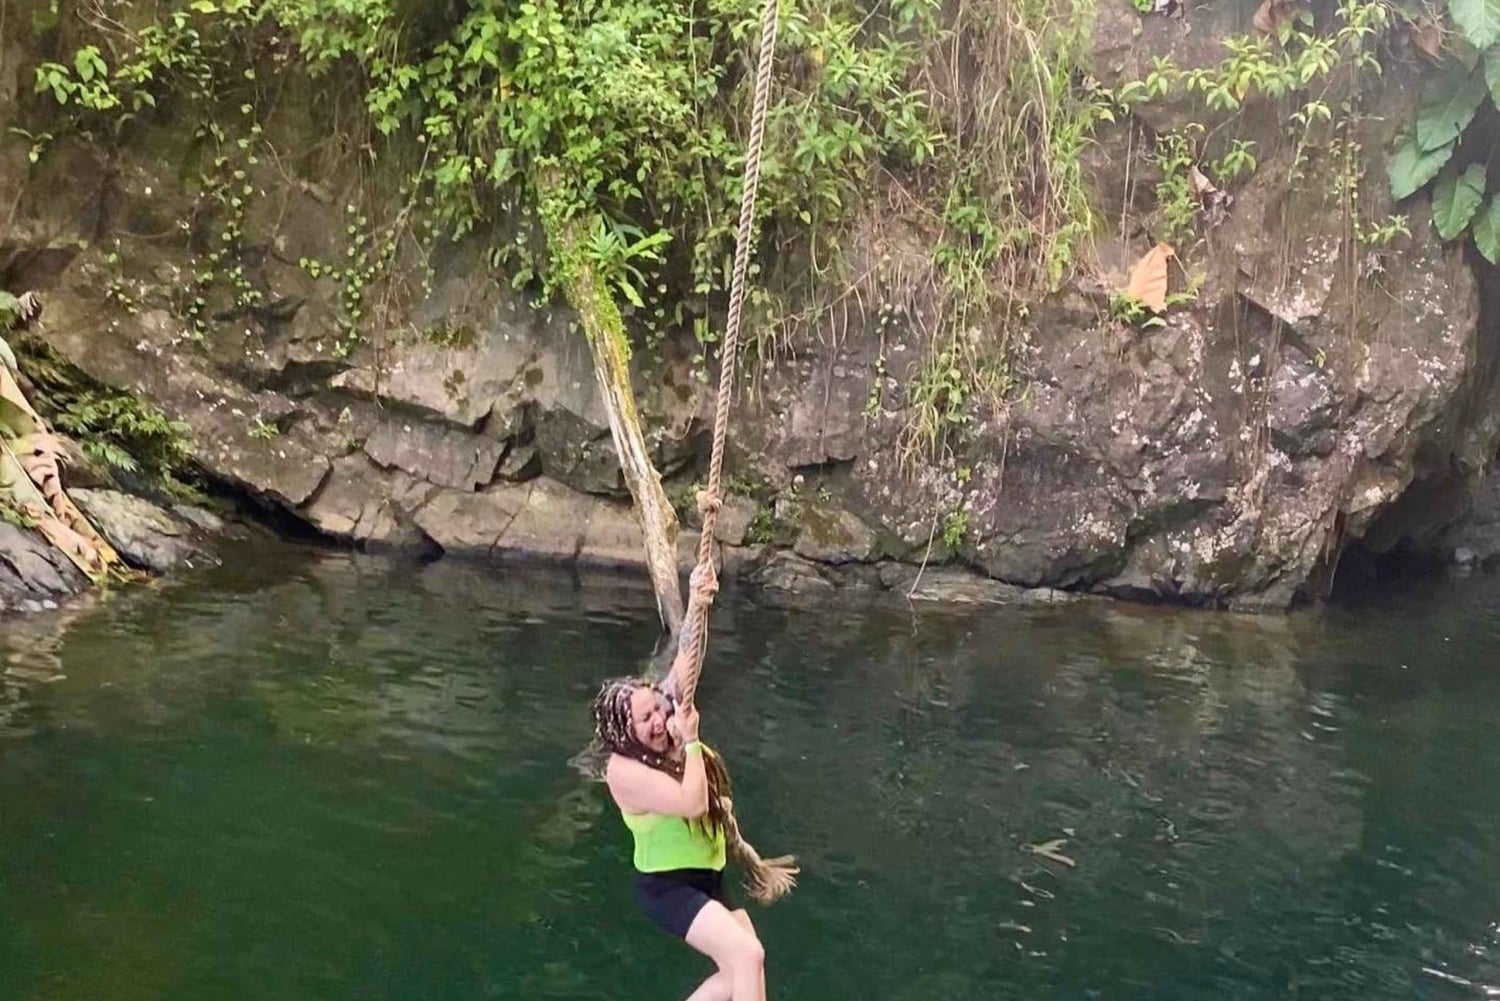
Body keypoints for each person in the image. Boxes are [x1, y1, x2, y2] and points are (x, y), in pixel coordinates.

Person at [591, 655, 768, 1001]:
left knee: (745, 969)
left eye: (659, 709)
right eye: (645, 719)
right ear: (624, 731)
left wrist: (698, 608)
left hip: (707, 875)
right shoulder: (623, 771)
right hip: (668, 886)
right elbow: (693, 804)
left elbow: (685, 662)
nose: (659, 721)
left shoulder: (662, 745)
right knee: (748, 955)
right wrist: (689, 740)